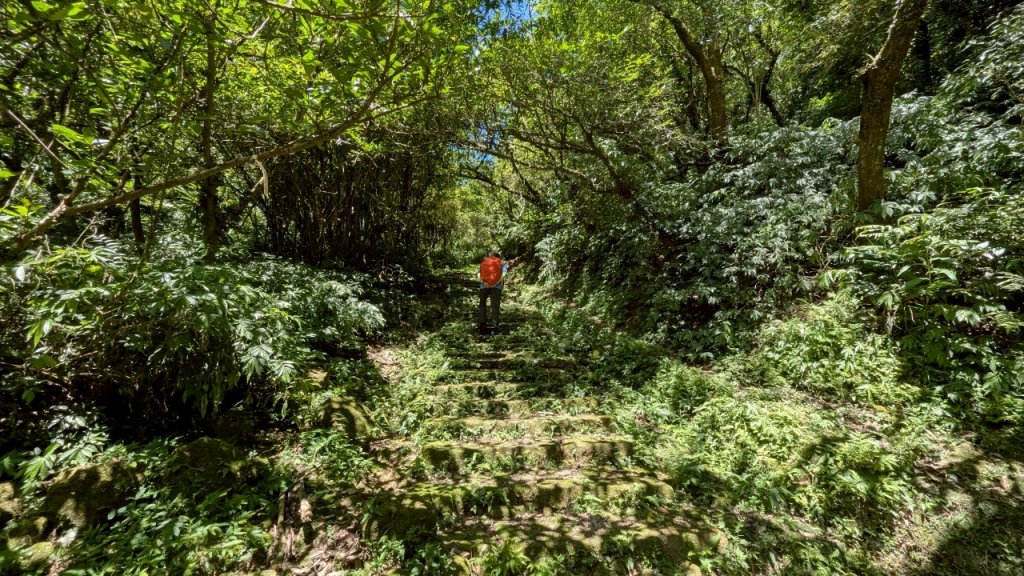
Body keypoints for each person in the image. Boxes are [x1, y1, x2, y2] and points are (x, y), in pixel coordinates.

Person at [478, 251, 517, 334]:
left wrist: (483, 282)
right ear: (498, 257)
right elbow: (503, 274)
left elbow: (478, 274)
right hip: (497, 287)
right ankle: (494, 327)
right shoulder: (501, 263)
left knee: (482, 305)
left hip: (484, 286)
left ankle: (482, 325)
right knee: (495, 306)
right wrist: (496, 283)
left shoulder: (484, 262)